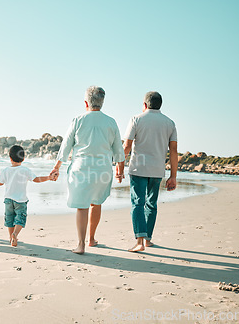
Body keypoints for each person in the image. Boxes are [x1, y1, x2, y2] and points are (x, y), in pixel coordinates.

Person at [50, 86, 125, 254]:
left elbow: (66, 146)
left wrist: (56, 167)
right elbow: (118, 149)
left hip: (81, 168)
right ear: (102, 102)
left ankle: (81, 245)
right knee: (96, 202)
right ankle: (91, 239)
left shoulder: (78, 120)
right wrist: (120, 169)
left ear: (86, 103)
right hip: (102, 169)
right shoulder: (111, 121)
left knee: (82, 206)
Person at [122, 91, 177, 252]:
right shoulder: (170, 123)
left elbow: (126, 146)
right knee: (151, 204)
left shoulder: (136, 119)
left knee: (137, 203)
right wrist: (173, 176)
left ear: (145, 105)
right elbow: (173, 151)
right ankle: (147, 239)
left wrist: (118, 165)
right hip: (157, 171)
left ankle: (139, 241)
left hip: (138, 168)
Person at [0, 145, 53, 247]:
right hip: (20, 200)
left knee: (10, 219)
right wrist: (48, 177)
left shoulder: (6, 170)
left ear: (10, 158)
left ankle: (11, 238)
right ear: (23, 158)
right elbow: (36, 179)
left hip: (8, 200)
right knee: (20, 219)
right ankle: (15, 234)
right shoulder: (25, 170)